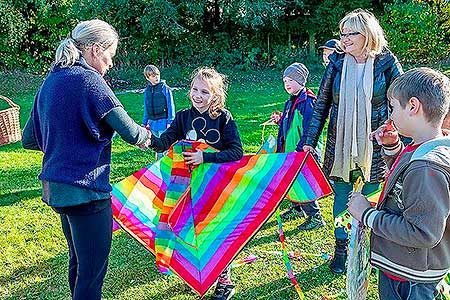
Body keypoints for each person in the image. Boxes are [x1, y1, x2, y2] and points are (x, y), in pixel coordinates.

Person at [21, 19, 151, 300]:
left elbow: (28, 139)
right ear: (94, 49)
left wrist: (63, 145)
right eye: (111, 55)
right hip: (87, 191)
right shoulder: (91, 81)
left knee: (78, 263)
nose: (111, 63)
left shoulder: (51, 80)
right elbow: (130, 132)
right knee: (91, 275)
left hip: (57, 189)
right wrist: (148, 137)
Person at [302, 9, 403, 275]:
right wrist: (310, 140)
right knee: (343, 195)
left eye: (351, 34)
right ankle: (341, 249)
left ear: (367, 35)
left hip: (376, 143)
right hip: (341, 141)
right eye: (342, 34)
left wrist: (395, 132)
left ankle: (369, 249)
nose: (344, 39)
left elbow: (402, 102)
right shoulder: (336, 62)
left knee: (373, 196)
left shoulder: (387, 63)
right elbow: (322, 103)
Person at [348, 67, 450, 300]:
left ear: (413, 106)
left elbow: (423, 233)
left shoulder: (426, 167)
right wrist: (393, 148)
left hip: (412, 277)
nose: (390, 115)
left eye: (393, 107)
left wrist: (366, 215)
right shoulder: (426, 145)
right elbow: (407, 182)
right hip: (408, 265)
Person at [148, 67, 243, 300]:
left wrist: (205, 156)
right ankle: (196, 270)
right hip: (189, 187)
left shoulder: (223, 118)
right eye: (194, 89)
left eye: (204, 92)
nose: (198, 96)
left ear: (215, 95)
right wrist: (148, 139)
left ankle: (225, 281)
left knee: (214, 231)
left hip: (215, 187)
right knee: (190, 228)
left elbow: (236, 151)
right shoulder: (182, 117)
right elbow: (165, 141)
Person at [271, 62, 325, 230]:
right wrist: (280, 120)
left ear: (301, 81)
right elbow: (292, 124)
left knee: (303, 184)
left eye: (291, 80)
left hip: (302, 153)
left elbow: (311, 128)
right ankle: (296, 209)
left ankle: (315, 217)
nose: (287, 84)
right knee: (290, 182)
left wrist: (301, 147)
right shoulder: (291, 101)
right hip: (290, 152)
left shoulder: (307, 101)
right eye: (285, 81)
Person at [142, 64, 175, 159]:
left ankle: (168, 164)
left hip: (163, 123)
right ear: (148, 78)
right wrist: (144, 123)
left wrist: (170, 121)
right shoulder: (147, 91)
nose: (156, 77)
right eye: (153, 76)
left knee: (165, 145)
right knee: (157, 147)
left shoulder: (165, 89)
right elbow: (146, 108)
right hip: (152, 124)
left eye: (157, 74)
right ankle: (158, 165)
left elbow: (171, 106)